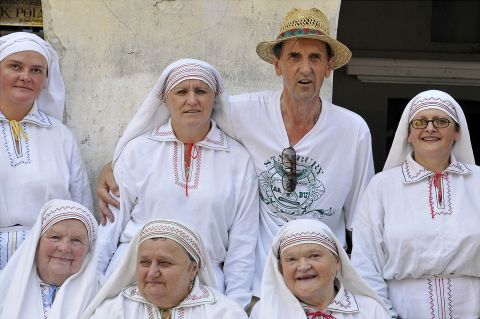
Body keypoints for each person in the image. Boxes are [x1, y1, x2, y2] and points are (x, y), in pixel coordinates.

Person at [96, 7, 374, 296]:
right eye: (294, 57)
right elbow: (186, 118)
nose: (305, 69)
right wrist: (114, 165)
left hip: (322, 281)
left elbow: (362, 225)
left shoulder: (353, 132)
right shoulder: (241, 112)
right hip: (262, 283)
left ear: (329, 67)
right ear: (277, 64)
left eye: (315, 57)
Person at [96, 58, 259, 308]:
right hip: (135, 279)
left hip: (206, 283)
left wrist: (235, 304)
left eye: (201, 91)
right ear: (165, 99)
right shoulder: (138, 151)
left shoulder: (238, 159)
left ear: (214, 99)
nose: (192, 100)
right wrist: (96, 281)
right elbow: (111, 224)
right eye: (182, 91)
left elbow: (243, 241)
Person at [351, 90, 479, 318]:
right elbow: (365, 265)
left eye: (441, 121)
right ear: (408, 134)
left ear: (458, 132)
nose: (430, 128)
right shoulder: (381, 187)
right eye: (420, 122)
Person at [0, 32, 92, 269]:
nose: (25, 77)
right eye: (15, 66)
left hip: (48, 263)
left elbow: (81, 207)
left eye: (36, 70)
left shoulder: (60, 136)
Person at [83, 219, 247, 319]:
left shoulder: (224, 313)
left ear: (193, 269)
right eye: (145, 263)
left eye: (164, 263)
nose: (152, 272)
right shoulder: (114, 310)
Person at [250, 219, 389, 318]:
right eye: (291, 259)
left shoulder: (370, 311)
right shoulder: (263, 313)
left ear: (337, 262)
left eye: (314, 256)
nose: (303, 266)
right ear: (280, 269)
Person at [0, 199, 99, 319]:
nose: (64, 248)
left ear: (89, 250)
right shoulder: (5, 286)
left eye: (76, 240)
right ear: (36, 242)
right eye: (55, 237)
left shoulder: (103, 294)